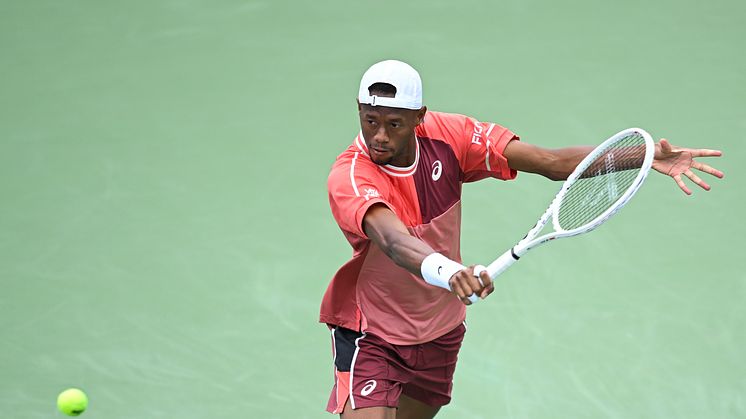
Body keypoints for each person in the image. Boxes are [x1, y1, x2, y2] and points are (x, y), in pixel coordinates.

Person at [320, 60, 723, 419]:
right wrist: (452, 272)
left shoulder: (450, 136)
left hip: (439, 329)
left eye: (395, 123)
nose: (381, 137)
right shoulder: (350, 175)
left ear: (419, 117)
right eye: (370, 120)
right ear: (359, 111)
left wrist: (645, 155)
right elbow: (394, 241)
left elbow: (550, 162)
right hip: (373, 332)